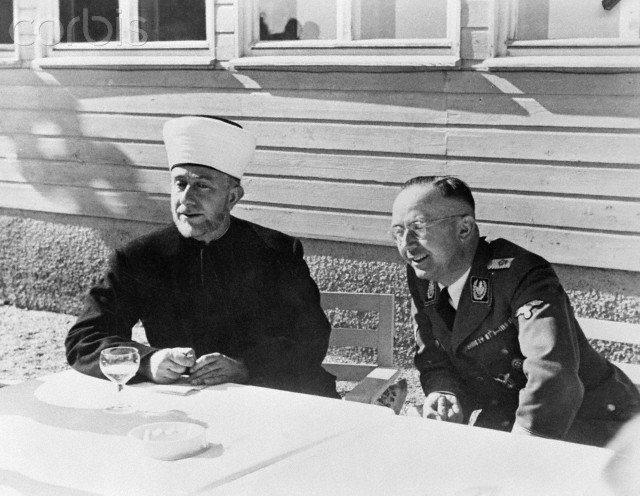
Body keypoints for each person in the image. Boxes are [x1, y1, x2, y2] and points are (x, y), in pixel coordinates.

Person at [65, 116, 339, 398]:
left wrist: (246, 367)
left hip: (271, 394)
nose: (186, 199)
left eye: (202, 186)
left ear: (232, 197)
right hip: (185, 400)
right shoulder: (140, 258)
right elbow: (84, 339)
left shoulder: (277, 252)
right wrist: (148, 362)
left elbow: (311, 336)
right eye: (180, 183)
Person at [391, 175, 639, 446]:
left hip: (593, 423)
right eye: (398, 232)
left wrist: (520, 451)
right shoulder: (423, 275)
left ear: (464, 229)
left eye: (418, 227)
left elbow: (552, 375)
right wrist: (444, 392)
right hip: (507, 411)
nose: (406, 244)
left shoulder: (522, 275)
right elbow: (433, 356)